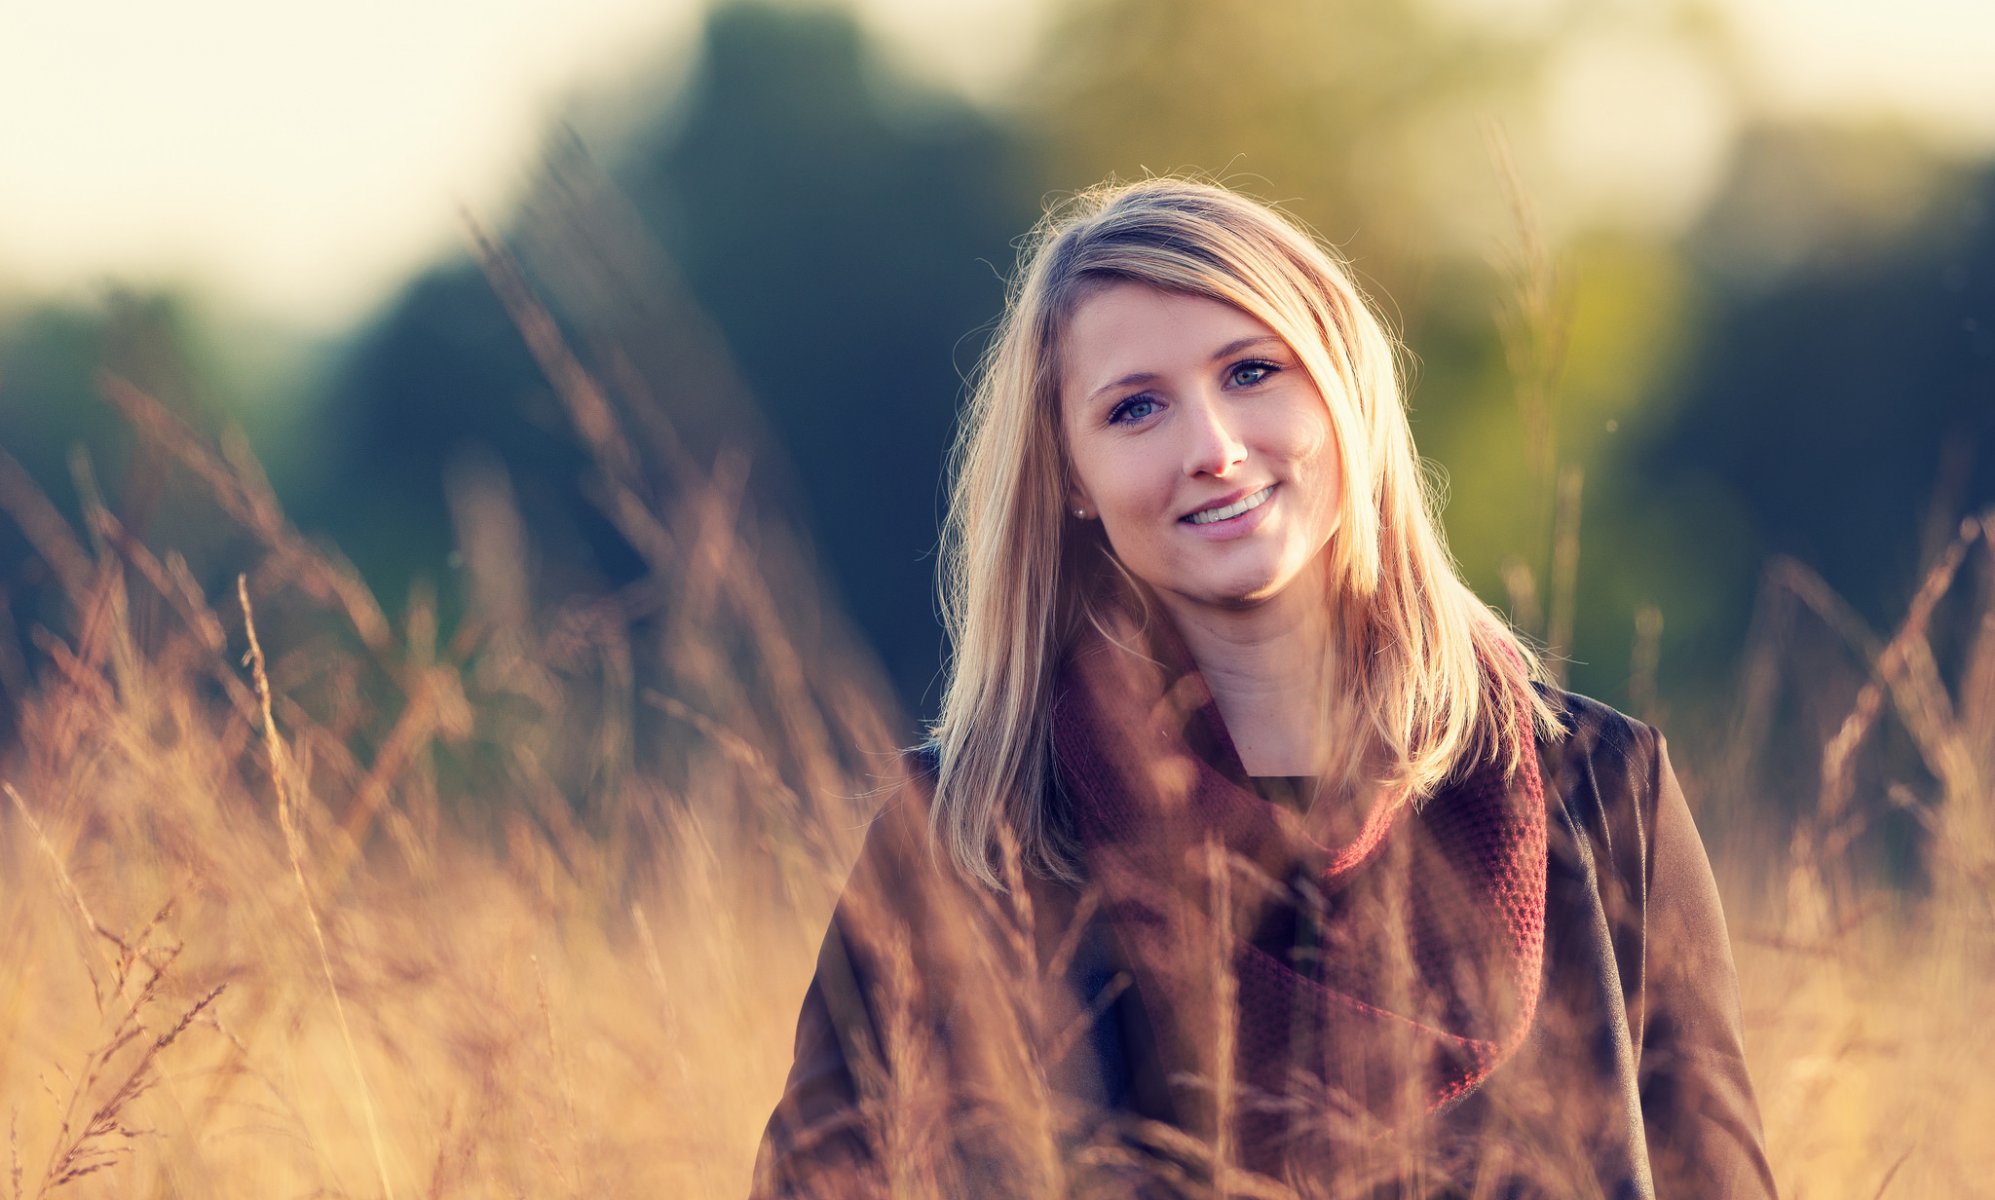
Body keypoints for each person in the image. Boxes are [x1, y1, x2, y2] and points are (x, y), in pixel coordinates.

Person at [752, 177, 1776, 1198]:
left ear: (1345, 391)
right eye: (1136, 408)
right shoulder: (967, 839)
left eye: (1251, 372)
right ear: (1071, 476)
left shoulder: (1597, 796)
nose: (1213, 449)